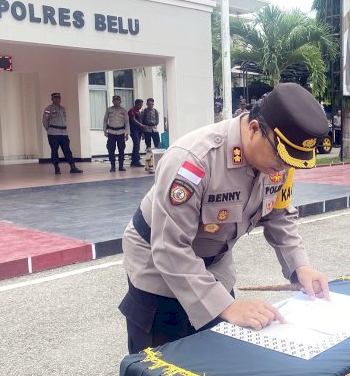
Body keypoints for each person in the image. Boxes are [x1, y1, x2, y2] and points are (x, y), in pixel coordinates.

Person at [118, 83, 331, 354]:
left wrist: (300, 267)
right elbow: (169, 248)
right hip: (157, 267)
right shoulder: (193, 162)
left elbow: (279, 216)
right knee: (165, 368)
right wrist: (227, 307)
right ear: (253, 129)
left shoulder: (279, 160)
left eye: (293, 161)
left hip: (214, 267)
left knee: (218, 362)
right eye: (282, 157)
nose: (286, 167)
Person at [41, 92, 83, 174]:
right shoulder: (48, 109)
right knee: (54, 151)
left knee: (67, 150)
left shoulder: (62, 108)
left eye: (59, 98)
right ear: (52, 99)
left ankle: (73, 167)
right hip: (53, 133)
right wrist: (49, 130)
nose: (57, 99)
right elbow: (44, 121)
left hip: (63, 133)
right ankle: (56, 168)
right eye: (55, 98)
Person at [103, 95, 130, 172]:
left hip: (121, 132)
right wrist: (105, 130)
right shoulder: (109, 110)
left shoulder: (123, 110)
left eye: (117, 100)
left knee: (121, 149)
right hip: (111, 132)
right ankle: (112, 166)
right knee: (111, 149)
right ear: (112, 101)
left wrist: (127, 133)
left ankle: (121, 166)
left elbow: (127, 122)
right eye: (114, 100)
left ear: (120, 101)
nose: (116, 101)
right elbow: (105, 120)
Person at [128, 99, 145, 167]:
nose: (141, 106)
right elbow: (133, 119)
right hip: (133, 130)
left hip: (139, 130)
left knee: (137, 145)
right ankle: (135, 161)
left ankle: (134, 161)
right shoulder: (132, 110)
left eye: (141, 105)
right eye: (140, 105)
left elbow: (141, 120)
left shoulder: (139, 112)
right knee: (136, 144)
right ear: (136, 104)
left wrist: (142, 131)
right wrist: (141, 125)